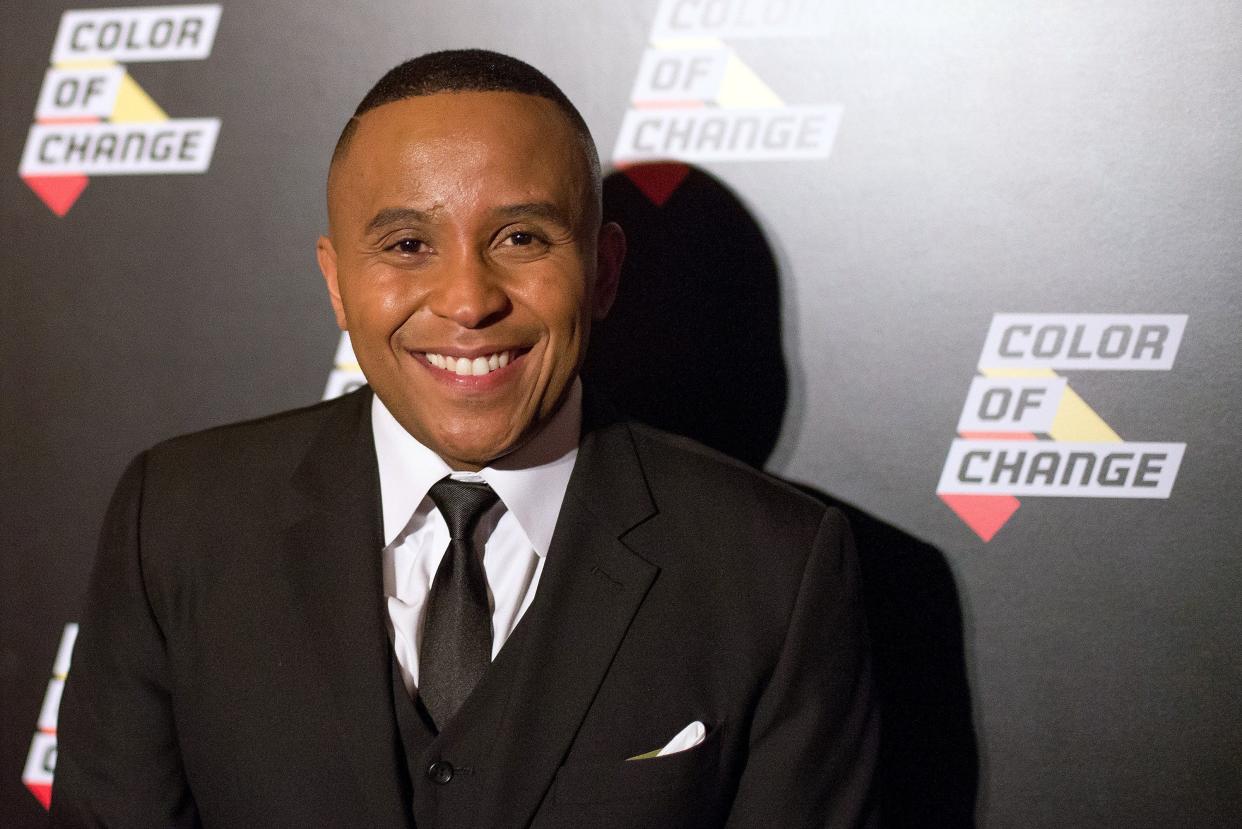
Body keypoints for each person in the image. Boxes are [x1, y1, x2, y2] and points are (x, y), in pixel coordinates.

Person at [50, 49, 878, 828]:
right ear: (338, 284)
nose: (468, 300)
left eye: (521, 239)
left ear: (605, 271)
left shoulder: (776, 568)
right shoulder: (176, 520)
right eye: (408, 245)